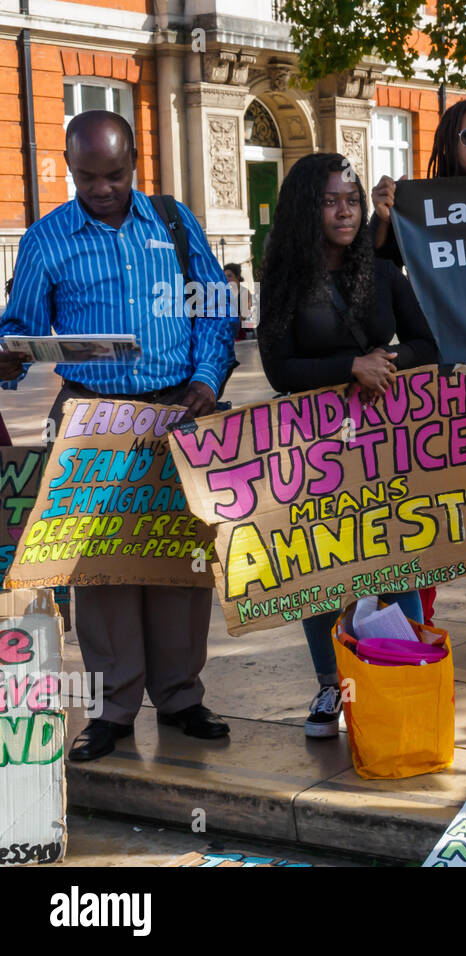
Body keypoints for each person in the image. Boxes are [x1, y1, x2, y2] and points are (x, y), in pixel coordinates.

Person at [0, 110, 235, 760]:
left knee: (179, 564)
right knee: (100, 574)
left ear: (136, 160)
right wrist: (9, 352)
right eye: (87, 176)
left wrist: (208, 380)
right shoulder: (46, 239)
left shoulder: (173, 221)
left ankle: (183, 697)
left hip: (176, 413)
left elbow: (215, 308)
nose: (102, 188)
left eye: (114, 174)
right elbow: (19, 326)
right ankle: (112, 710)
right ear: (70, 167)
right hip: (92, 416)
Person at [258, 152, 439, 737]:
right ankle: (331, 688)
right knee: (320, 570)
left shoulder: (383, 271)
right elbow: (280, 368)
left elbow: (427, 342)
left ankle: (405, 674)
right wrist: (348, 367)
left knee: (393, 560)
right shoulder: (283, 277)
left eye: (353, 200)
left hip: (381, 439)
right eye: (331, 200)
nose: (344, 211)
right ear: (307, 208)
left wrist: (384, 361)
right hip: (313, 445)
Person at [370, 98, 466, 675]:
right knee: (430, 505)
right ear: (449, 144)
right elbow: (370, 272)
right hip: (432, 383)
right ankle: (420, 628)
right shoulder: (415, 210)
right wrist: (384, 217)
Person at [223, 262, 255, 340]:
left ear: (237, 277)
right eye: (225, 276)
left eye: (230, 276)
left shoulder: (245, 293)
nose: (227, 279)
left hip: (240, 331)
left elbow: (244, 316)